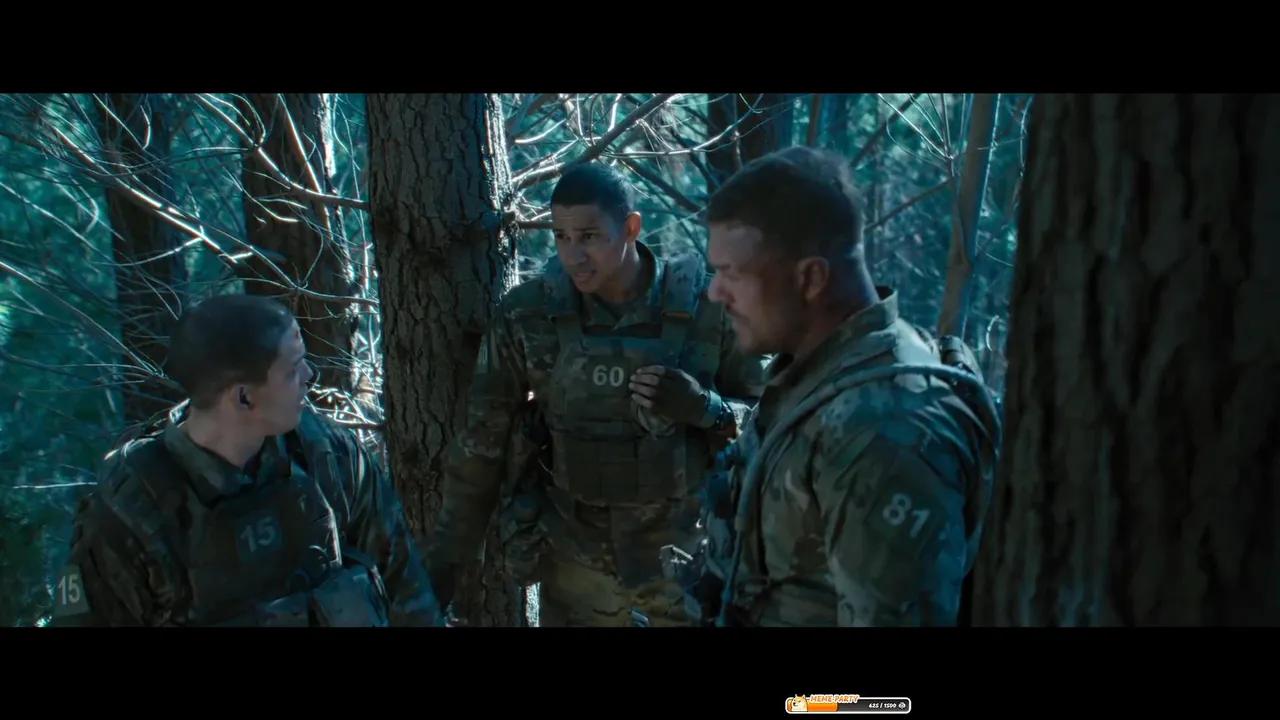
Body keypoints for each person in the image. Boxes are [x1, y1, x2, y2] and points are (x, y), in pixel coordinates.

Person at [430, 162, 769, 627]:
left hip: (685, 566)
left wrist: (705, 409)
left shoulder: (707, 308)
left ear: (630, 228)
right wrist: (442, 568)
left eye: (589, 236)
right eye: (561, 237)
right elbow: (480, 447)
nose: (574, 255)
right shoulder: (529, 316)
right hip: (575, 570)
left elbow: (771, 423)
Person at [678, 147, 1002, 627]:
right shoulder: (819, 373)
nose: (714, 292)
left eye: (733, 274)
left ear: (811, 278)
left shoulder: (884, 429)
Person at [51, 294, 445, 627]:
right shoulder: (131, 513)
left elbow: (407, 591)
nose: (309, 374)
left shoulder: (329, 457)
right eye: (292, 369)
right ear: (243, 397)